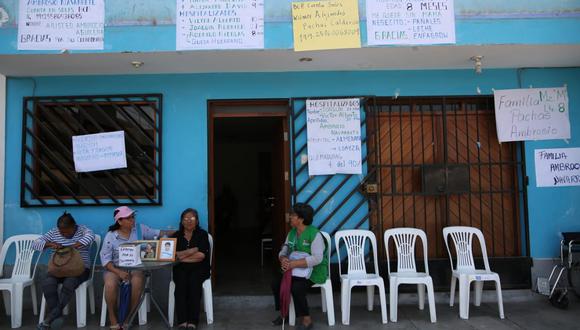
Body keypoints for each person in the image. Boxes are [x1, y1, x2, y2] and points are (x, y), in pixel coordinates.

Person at [100, 206, 174, 329]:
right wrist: (119, 272)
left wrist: (180, 230)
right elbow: (105, 259)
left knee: (137, 280)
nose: (132, 220)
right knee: (110, 284)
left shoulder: (140, 229)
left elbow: (159, 233)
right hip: (115, 268)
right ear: (119, 221)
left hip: (136, 267)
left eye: (133, 217)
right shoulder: (111, 236)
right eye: (129, 218)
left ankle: (129, 317)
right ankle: (112, 317)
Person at [33, 211, 95, 330]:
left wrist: (72, 246)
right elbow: (35, 244)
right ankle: (57, 316)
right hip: (58, 270)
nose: (64, 234)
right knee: (48, 283)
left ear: (74, 226)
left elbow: (90, 236)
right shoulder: (54, 232)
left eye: (67, 231)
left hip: (79, 269)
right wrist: (50, 244)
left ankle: (50, 318)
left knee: (69, 283)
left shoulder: (82, 230)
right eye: (62, 232)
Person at [271, 203, 328, 330]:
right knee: (276, 283)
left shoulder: (314, 234)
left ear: (301, 219)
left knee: (297, 287)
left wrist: (293, 264)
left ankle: (307, 319)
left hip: (314, 271)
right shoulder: (292, 233)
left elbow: (317, 258)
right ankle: (284, 312)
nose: (290, 217)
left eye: (293, 215)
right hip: (295, 270)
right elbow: (284, 249)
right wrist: (283, 259)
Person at [171, 208, 210, 329]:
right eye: (186, 219)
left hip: (199, 268)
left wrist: (181, 256)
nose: (189, 221)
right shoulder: (176, 236)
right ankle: (182, 320)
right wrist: (192, 250)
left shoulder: (202, 234)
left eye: (192, 218)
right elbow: (173, 256)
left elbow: (201, 256)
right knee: (181, 283)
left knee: (194, 282)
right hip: (180, 268)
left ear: (197, 221)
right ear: (182, 221)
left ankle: (193, 320)